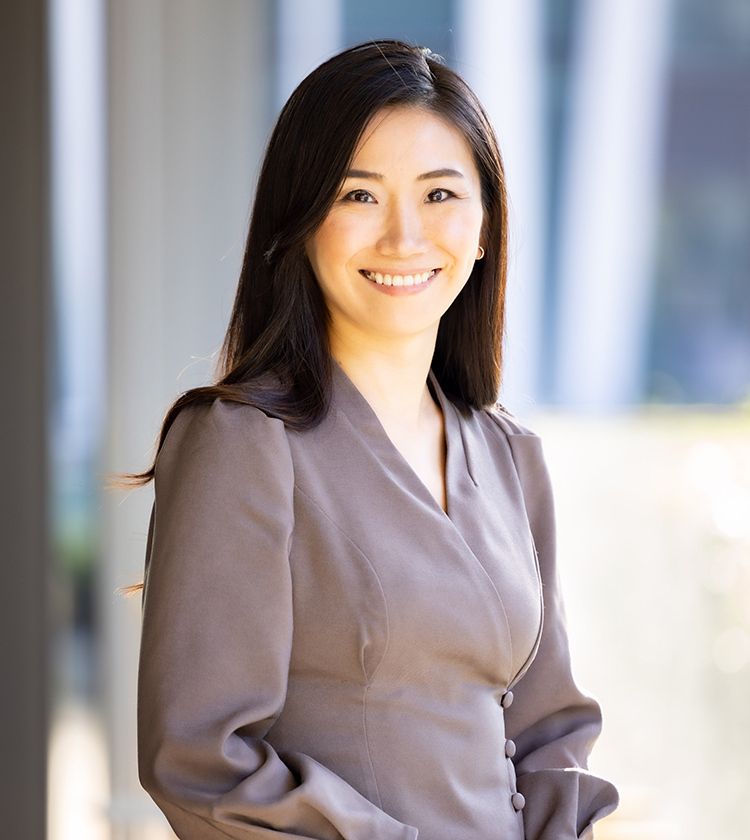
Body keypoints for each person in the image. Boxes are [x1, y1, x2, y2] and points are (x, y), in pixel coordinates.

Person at [135, 40, 618, 840]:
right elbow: (199, 758)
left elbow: (550, 734)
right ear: (301, 219)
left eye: (439, 194)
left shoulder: (509, 457)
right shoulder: (241, 443)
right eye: (359, 196)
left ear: (486, 227)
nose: (403, 237)